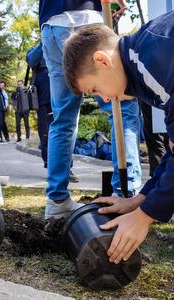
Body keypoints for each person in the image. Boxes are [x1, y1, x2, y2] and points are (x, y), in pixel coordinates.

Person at [63, 10, 174, 264]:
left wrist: (144, 216)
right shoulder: (143, 62)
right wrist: (140, 200)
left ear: (102, 60)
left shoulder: (154, 60)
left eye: (95, 89)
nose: (103, 98)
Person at [39, 0, 141, 220]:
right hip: (85, 20)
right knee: (123, 106)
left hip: (51, 26)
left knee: (63, 119)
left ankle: (57, 201)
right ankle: (126, 193)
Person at [26, 44, 53, 168]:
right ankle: (49, 161)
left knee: (64, 133)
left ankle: (66, 167)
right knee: (45, 134)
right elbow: (31, 61)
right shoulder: (34, 49)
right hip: (43, 101)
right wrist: (43, 43)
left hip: (60, 98)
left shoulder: (59, 46)